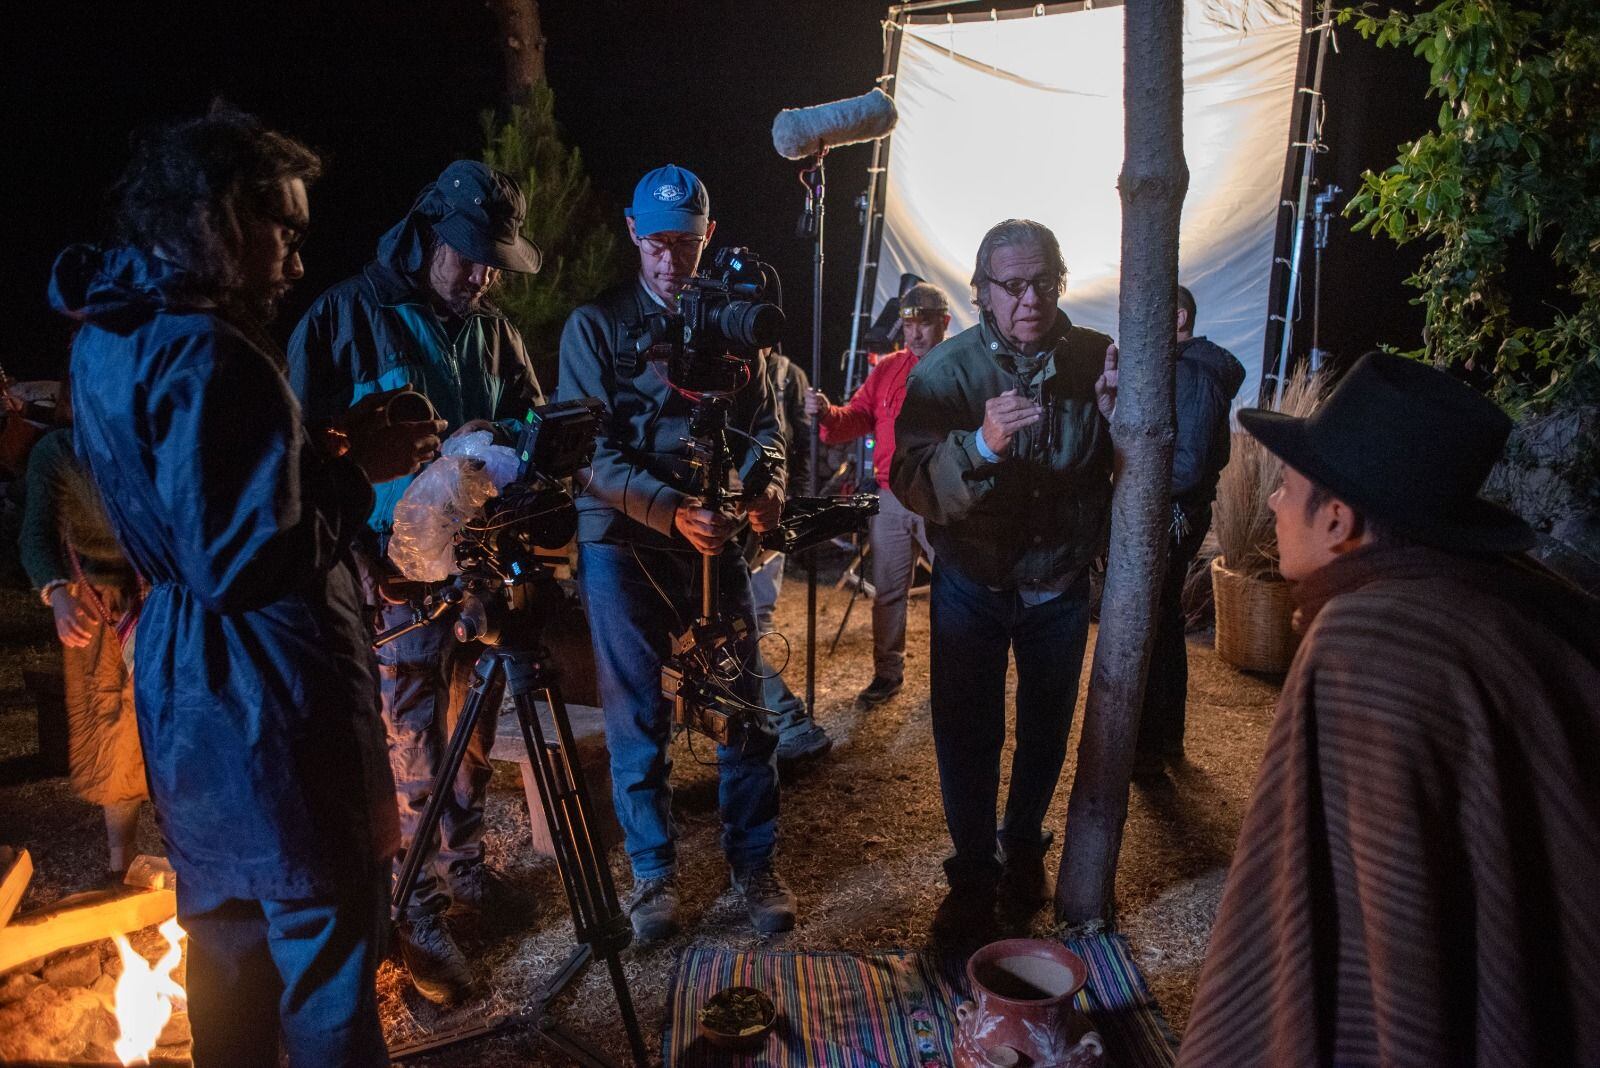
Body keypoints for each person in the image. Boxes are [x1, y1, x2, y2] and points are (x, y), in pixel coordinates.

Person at [50, 105, 439, 1067]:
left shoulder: (108, 334)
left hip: (184, 685)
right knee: (325, 964)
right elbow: (245, 560)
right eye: (285, 231)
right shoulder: (219, 353)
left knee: (227, 958)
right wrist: (363, 471)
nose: (298, 261)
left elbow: (194, 501)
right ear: (220, 219)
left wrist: (314, 450)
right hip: (275, 694)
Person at [1179, 352, 1600, 1068]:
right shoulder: (1497, 593)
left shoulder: (1369, 642)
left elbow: (1391, 938)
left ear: (1338, 520)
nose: (1274, 505)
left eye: (1288, 487)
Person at [288, 160, 543, 1005]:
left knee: (474, 729)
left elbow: (531, 418)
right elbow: (298, 467)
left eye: (493, 261)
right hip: (390, 584)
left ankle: (463, 867)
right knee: (412, 746)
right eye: (470, 256)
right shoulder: (341, 320)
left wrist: (501, 437)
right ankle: (414, 909)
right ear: (429, 231)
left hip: (477, 574)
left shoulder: (493, 330)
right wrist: (358, 563)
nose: (482, 276)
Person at [556, 164, 796, 942]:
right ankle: (654, 876)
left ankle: (754, 861)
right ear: (633, 233)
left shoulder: (733, 326)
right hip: (624, 541)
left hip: (713, 534)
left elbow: (767, 430)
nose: (671, 260)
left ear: (708, 237)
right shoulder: (596, 327)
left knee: (743, 703)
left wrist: (767, 484)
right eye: (657, 243)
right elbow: (589, 452)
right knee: (638, 712)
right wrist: (670, 509)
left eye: (686, 244)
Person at [892, 219, 1117, 943]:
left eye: (1043, 282)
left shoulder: (1094, 361)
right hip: (972, 584)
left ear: (1059, 282)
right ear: (983, 293)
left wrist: (1119, 418)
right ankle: (973, 870)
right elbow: (909, 479)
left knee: (1047, 727)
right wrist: (980, 444)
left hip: (1056, 583)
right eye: (1012, 286)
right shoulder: (945, 373)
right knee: (967, 730)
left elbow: (1121, 465)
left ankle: (1023, 844)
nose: (1030, 299)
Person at [19, 383, 147, 884]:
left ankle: (192, 863)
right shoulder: (58, 453)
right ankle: (122, 866)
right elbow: (35, 533)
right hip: (97, 611)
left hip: (161, 601)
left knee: (176, 732)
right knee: (112, 730)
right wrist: (58, 592)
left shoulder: (151, 443)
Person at [806, 282, 946, 705]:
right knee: (887, 589)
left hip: (940, 495)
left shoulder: (958, 366)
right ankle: (888, 673)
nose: (915, 334)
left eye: (924, 324)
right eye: (909, 324)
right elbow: (858, 416)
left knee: (956, 590)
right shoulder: (887, 369)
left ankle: (957, 673)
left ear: (944, 322)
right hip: (890, 497)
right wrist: (828, 412)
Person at [1132, 285, 1244, 777]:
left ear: (1177, 316)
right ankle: (1160, 740)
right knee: (1161, 619)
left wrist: (1133, 482)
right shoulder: (1184, 366)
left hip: (1174, 513)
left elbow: (1192, 464)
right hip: (1170, 509)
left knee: (1156, 620)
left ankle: (1154, 744)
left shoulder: (1194, 371)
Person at [747, 347, 832, 765]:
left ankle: (786, 719)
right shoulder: (726, 361)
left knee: (756, 614)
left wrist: (791, 499)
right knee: (738, 619)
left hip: (772, 504)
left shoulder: (788, 374)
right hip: (736, 504)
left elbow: (796, 438)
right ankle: (776, 714)